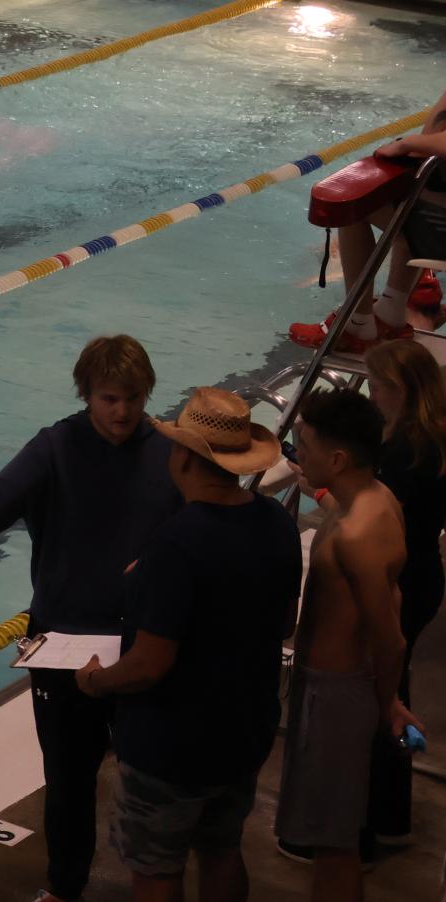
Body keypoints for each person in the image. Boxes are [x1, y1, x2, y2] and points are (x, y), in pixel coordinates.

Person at [0, 336, 179, 902]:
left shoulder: (170, 454)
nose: (122, 411)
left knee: (154, 781)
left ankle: (155, 886)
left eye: (131, 397)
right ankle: (64, 885)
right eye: (108, 398)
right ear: (86, 394)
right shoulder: (56, 448)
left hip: (144, 646)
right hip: (63, 648)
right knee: (68, 780)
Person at [75, 388, 298, 902]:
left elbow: (150, 664)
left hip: (171, 745)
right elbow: (284, 623)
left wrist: (95, 681)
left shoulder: (177, 542)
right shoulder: (276, 524)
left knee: (156, 867)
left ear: (184, 457)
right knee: (222, 848)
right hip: (244, 731)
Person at [276, 387, 423, 895]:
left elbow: (391, 637)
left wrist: (387, 707)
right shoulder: (379, 500)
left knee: (333, 846)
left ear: (337, 458)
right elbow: (395, 604)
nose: (299, 454)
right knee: (332, 838)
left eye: (306, 446)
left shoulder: (355, 536)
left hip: (336, 696)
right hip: (344, 689)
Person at [361, 340, 446, 851]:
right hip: (423, 576)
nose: (372, 397)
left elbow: (377, 523)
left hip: (396, 581)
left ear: (398, 389)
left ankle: (368, 825)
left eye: (376, 387)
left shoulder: (401, 451)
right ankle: (391, 816)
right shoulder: (434, 439)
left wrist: (325, 490)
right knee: (394, 691)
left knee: (379, 699)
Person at [291, 87, 446, 353]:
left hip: (438, 230)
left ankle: (358, 325)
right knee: (405, 196)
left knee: (352, 205)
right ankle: (391, 312)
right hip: (432, 212)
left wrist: (407, 144)